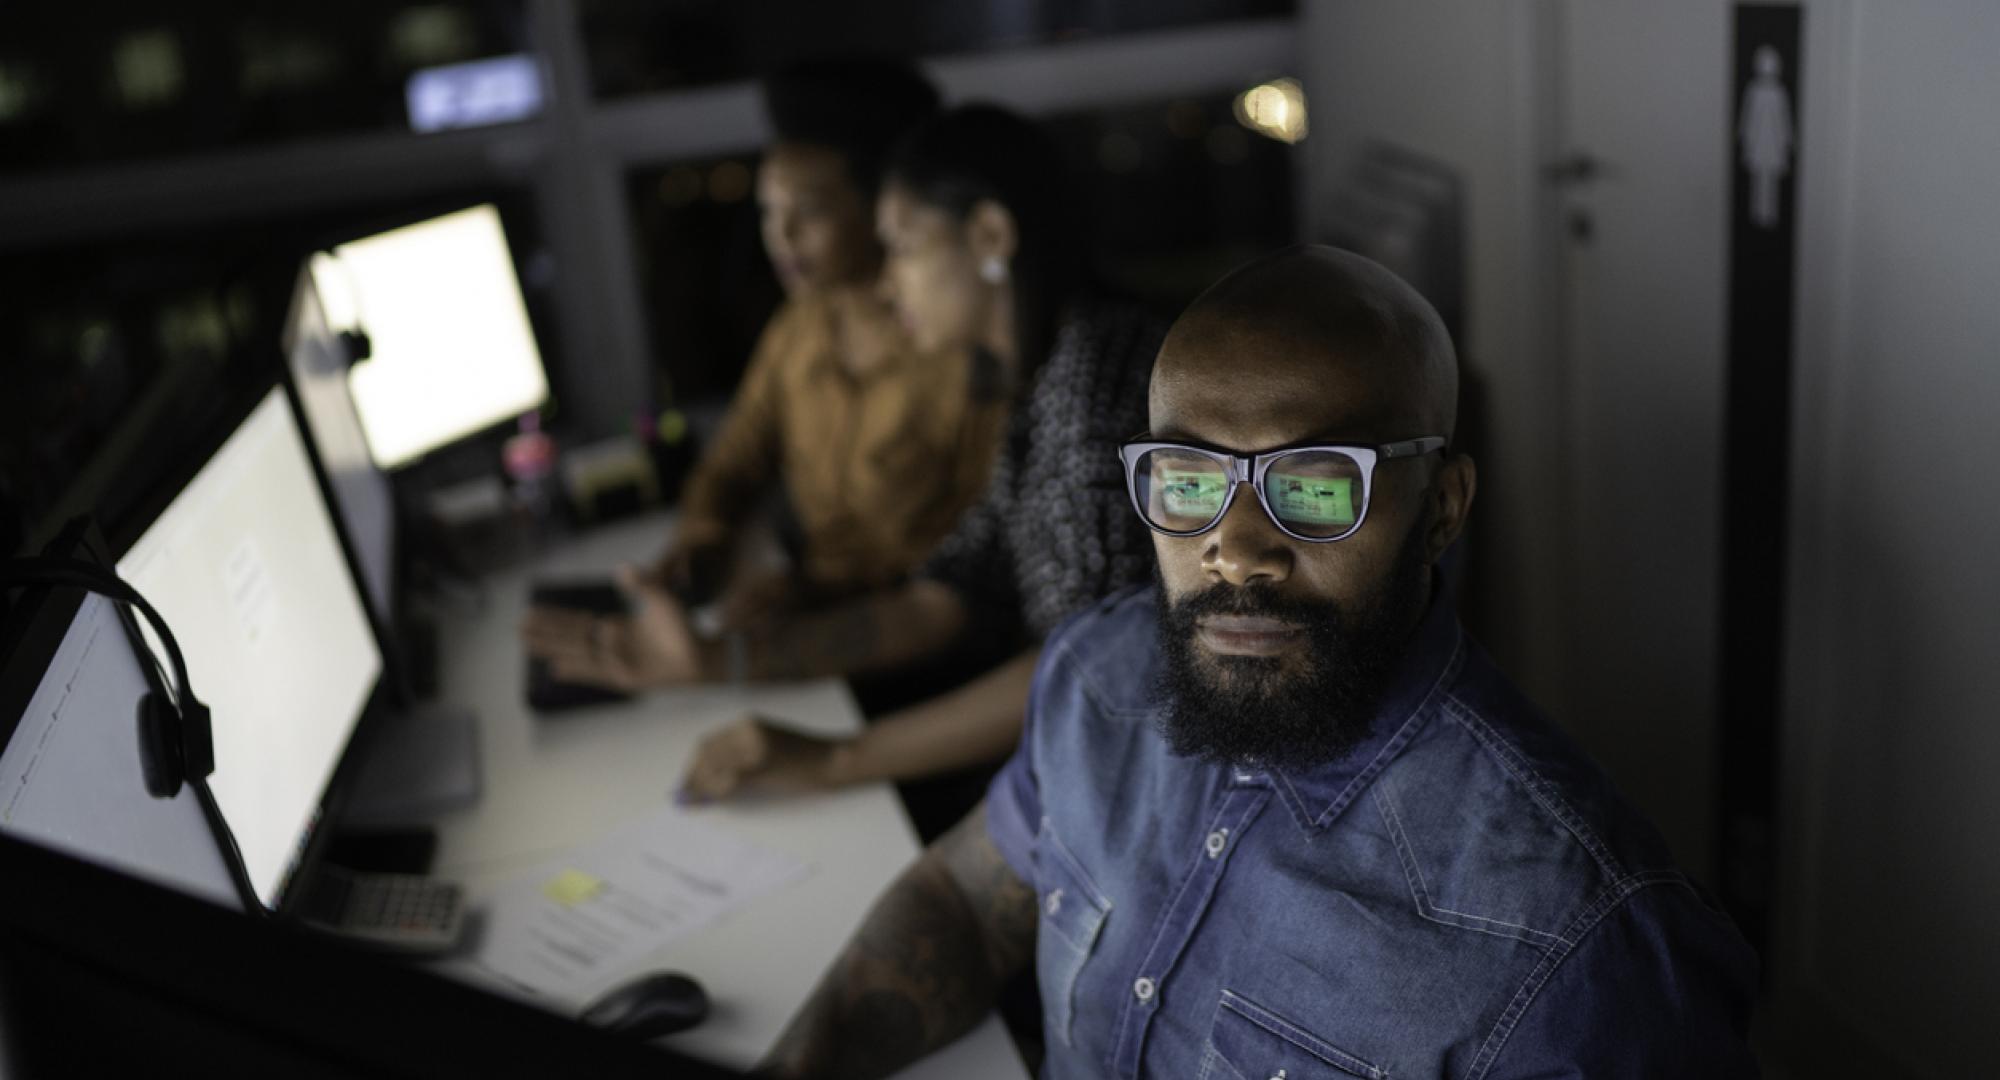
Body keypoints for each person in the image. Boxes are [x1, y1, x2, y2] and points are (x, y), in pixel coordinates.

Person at [754, 247, 1762, 1079]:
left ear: (1441, 510)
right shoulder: (1095, 679)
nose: (1233, 549)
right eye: (1186, 478)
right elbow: (964, 905)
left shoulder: (1578, 944)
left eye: (1317, 488)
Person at [523, 105, 1165, 820]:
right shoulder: (1036, 380)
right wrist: (716, 660)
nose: (888, 285)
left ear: (989, 236)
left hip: (1118, 793)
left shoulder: (1096, 385)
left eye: (903, 248)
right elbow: (945, 598)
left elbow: (1090, 679)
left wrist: (836, 758)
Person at [650, 58, 1004, 624]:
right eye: (769, 212)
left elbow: (975, 564)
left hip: (901, 638)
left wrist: (813, 596)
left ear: (882, 209)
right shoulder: (799, 327)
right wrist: (705, 535)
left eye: (809, 212)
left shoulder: (959, 351)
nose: (781, 237)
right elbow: (733, 462)